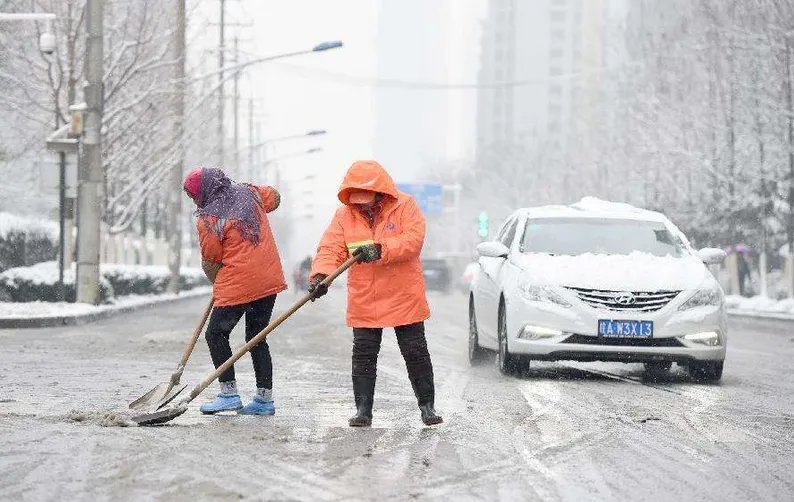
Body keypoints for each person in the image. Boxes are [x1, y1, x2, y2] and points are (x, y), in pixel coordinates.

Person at [308, 160, 443, 427]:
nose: (362, 205)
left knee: (415, 351)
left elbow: (413, 240)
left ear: (380, 192)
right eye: (356, 200)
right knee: (364, 354)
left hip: (403, 292)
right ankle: (363, 411)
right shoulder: (344, 216)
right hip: (365, 294)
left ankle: (427, 407)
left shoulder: (405, 206)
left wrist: (381, 248)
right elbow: (331, 249)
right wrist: (321, 276)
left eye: (366, 199)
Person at [183, 167, 287, 415]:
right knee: (256, 338)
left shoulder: (208, 218)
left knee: (215, 335)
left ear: (205, 191)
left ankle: (228, 394)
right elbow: (274, 197)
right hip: (268, 279)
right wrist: (247, 193)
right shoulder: (251, 193)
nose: (195, 202)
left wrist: (219, 284)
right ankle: (264, 400)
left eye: (194, 196)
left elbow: (211, 261)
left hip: (239, 282)